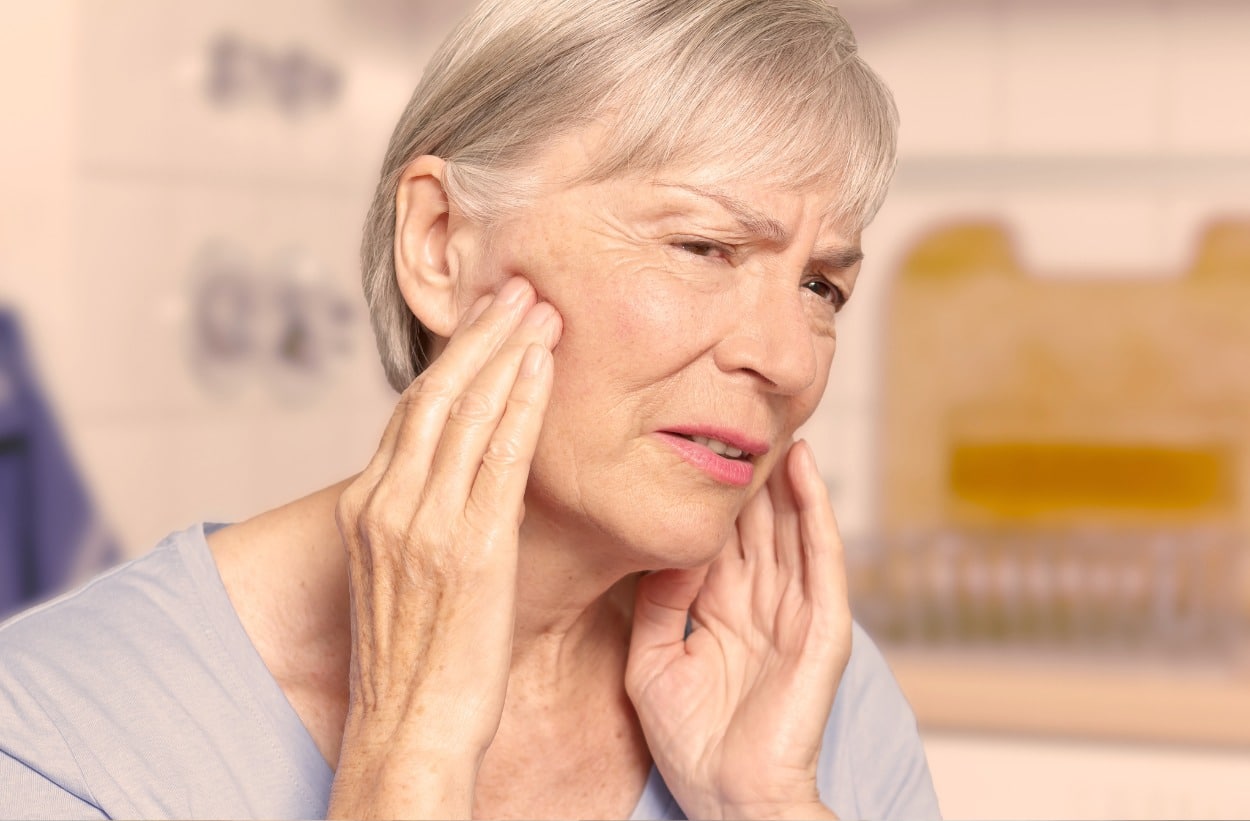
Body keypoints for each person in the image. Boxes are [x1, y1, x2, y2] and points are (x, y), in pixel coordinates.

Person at [0, 0, 940, 817]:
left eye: (821, 287)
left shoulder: (809, 696)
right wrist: (409, 755)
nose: (783, 359)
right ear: (441, 246)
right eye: (702, 246)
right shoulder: (55, 734)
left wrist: (767, 804)